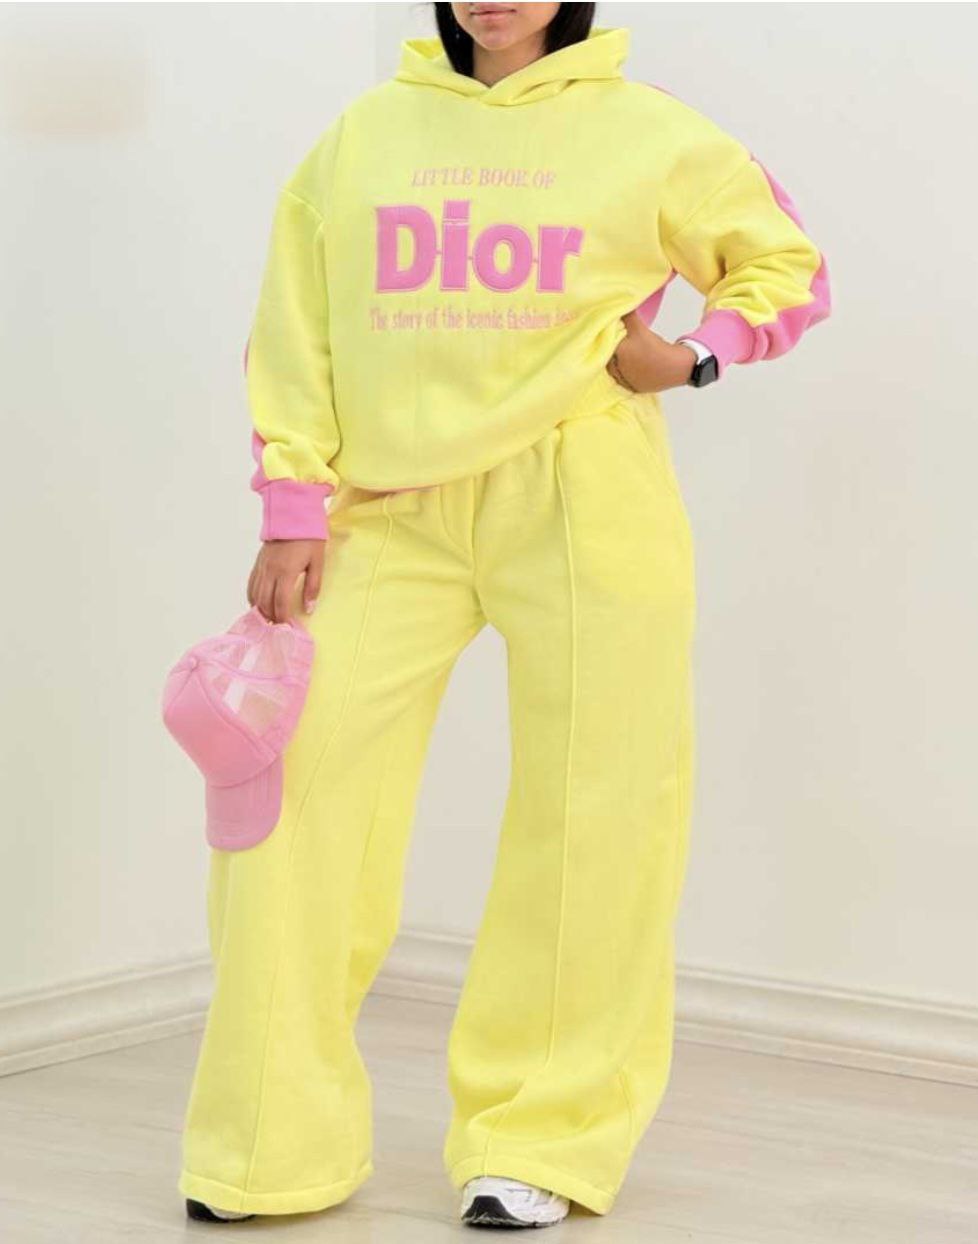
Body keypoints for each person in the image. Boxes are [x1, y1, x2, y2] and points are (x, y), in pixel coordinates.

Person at [179, 1, 830, 1229]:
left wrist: (695, 354)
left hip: (584, 489)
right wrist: (291, 499)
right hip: (383, 506)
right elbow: (294, 327)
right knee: (287, 789)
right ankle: (268, 1139)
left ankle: (541, 1135)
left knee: (597, 808)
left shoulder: (649, 131)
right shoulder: (365, 134)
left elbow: (787, 261)